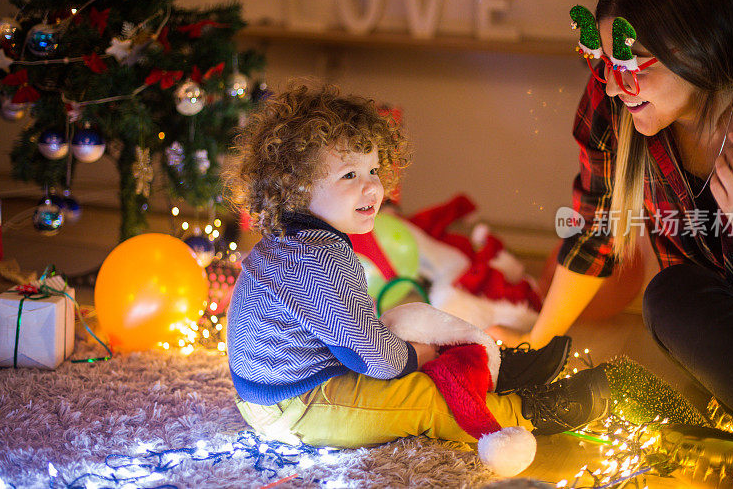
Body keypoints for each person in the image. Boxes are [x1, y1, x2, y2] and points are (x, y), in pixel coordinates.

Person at [222, 82, 610, 449]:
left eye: (373, 170)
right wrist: (417, 357)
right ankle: (528, 412)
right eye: (349, 175)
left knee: (407, 329)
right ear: (297, 185)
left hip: (281, 389)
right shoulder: (318, 258)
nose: (372, 188)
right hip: (297, 406)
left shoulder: (291, 242)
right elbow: (372, 358)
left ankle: (495, 367)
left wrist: (415, 350)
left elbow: (353, 334)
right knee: (424, 398)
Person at [499, 0, 733, 434]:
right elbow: (594, 231)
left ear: (697, 49)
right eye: (604, 62)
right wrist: (536, 348)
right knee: (667, 297)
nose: (611, 85)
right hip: (728, 335)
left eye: (628, 64)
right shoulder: (615, 105)